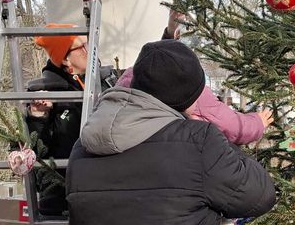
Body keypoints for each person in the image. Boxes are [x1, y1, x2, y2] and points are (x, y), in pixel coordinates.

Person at [66, 40, 276, 225]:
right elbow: (259, 195)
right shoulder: (198, 141)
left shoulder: (83, 146)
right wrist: (219, 136)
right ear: (188, 98)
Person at [27, 23, 117, 225]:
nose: (91, 50)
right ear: (66, 59)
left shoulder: (107, 81)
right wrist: (37, 118)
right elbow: (31, 153)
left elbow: (148, 78)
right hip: (61, 204)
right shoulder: (43, 94)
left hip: (104, 201)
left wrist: (169, 33)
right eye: (82, 46)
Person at [116, 10, 274, 145]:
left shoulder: (128, 80)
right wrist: (257, 122)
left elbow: (161, 67)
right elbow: (232, 125)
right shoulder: (195, 98)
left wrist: (169, 36)